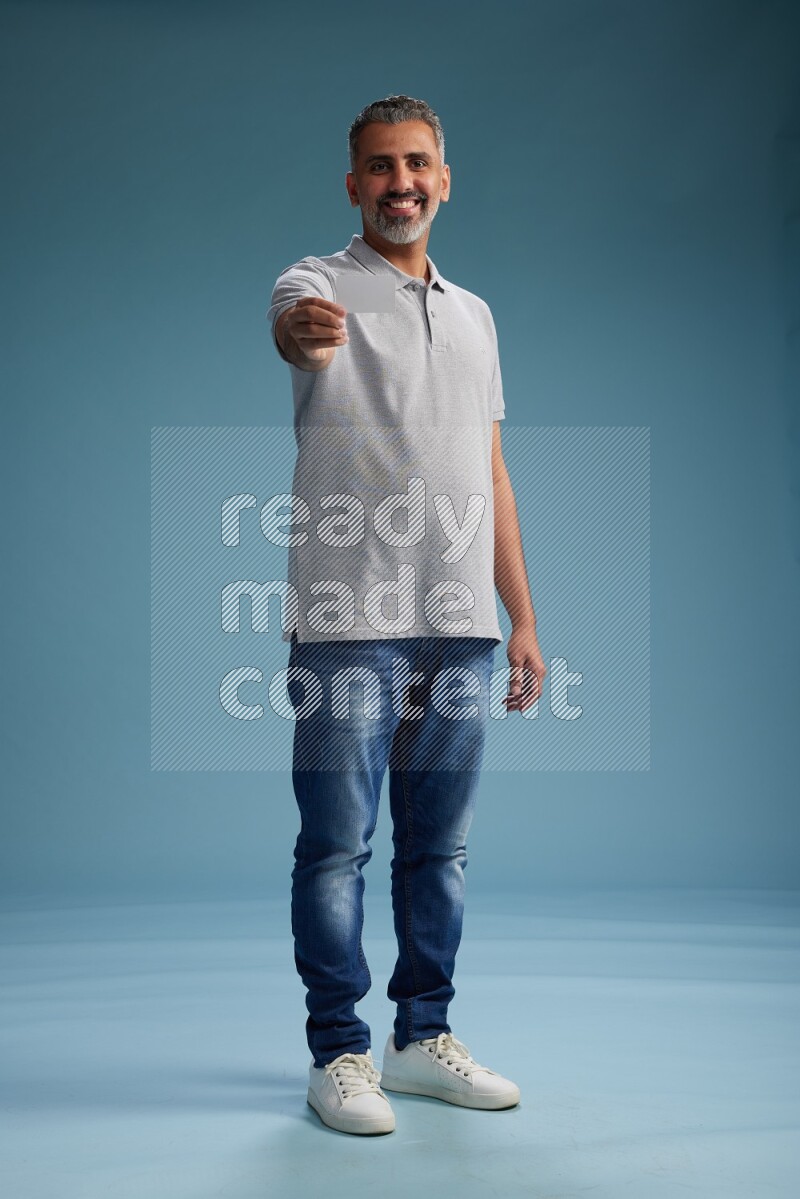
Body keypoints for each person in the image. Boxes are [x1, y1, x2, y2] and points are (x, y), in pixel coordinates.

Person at [266, 95, 546, 1136]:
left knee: (440, 848)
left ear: (443, 177)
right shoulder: (315, 284)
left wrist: (520, 617)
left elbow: (491, 472)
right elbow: (294, 331)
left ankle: (419, 1036)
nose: (400, 181)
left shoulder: (473, 315)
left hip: (460, 623)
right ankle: (336, 1051)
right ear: (353, 184)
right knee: (334, 846)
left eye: (416, 162)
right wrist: (298, 333)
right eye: (379, 165)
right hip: (347, 618)